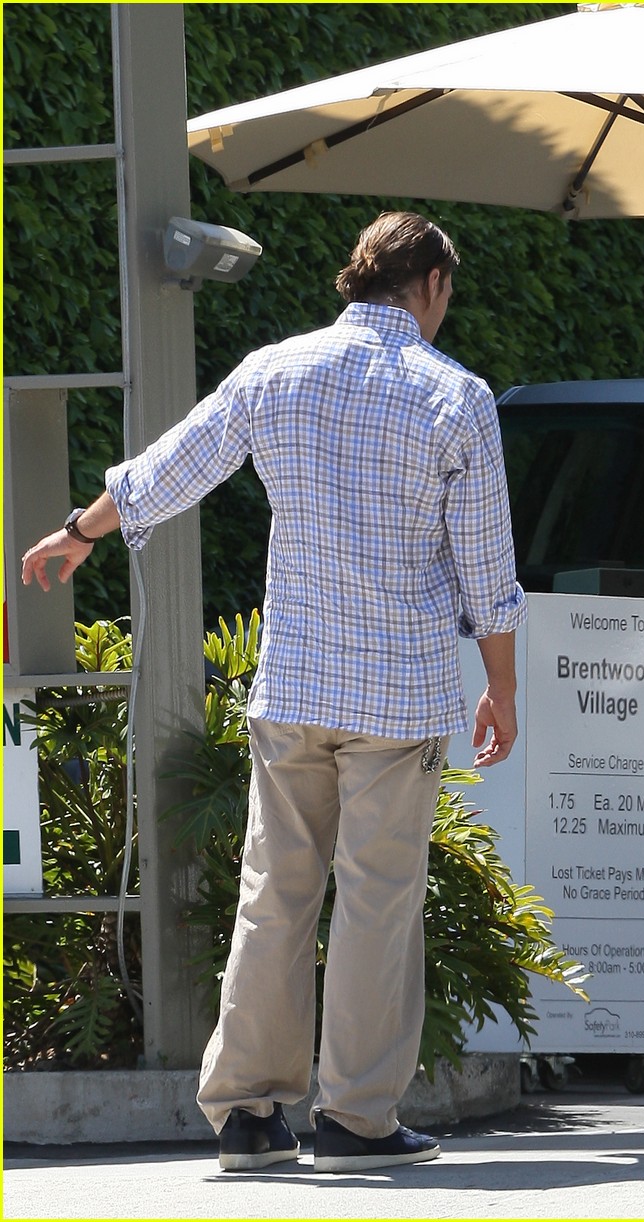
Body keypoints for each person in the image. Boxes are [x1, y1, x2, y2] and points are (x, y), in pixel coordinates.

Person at [21, 211, 528, 1172]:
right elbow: (486, 567)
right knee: (378, 903)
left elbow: (174, 467)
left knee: (274, 896)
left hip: (294, 685)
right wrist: (499, 686)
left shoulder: (275, 370)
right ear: (427, 286)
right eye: (445, 297)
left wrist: (78, 532)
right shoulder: (456, 398)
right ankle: (356, 1122)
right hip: (399, 694)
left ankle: (249, 1116)